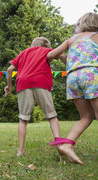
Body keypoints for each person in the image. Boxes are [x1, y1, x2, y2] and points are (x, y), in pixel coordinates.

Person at [47, 12, 98, 164]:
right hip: (91, 74)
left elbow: (50, 55)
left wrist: (66, 57)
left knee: (86, 116)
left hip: (73, 78)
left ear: (82, 24)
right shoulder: (96, 35)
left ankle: (68, 145)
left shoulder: (71, 40)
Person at [4, 37, 65, 157]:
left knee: (23, 118)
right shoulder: (45, 51)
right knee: (51, 116)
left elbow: (10, 69)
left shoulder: (23, 53)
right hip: (41, 81)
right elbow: (61, 54)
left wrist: (9, 86)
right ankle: (60, 146)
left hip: (23, 83)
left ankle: (20, 151)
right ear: (46, 46)